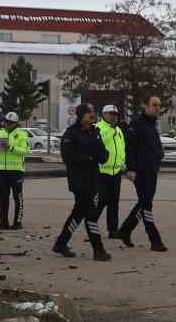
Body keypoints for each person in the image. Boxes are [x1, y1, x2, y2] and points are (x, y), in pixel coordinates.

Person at [53, 103, 111, 261]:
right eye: (89, 112)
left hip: (93, 180)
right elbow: (68, 157)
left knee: (78, 213)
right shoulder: (71, 134)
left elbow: (103, 155)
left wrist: (100, 155)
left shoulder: (95, 131)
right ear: (81, 115)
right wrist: (89, 158)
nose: (93, 115)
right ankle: (98, 250)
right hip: (79, 181)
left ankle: (61, 243)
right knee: (91, 214)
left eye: (93, 112)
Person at [116, 92, 168, 251]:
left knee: (145, 203)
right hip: (140, 171)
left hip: (152, 170)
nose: (158, 108)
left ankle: (125, 230)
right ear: (146, 106)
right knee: (146, 204)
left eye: (159, 105)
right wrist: (130, 169)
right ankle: (155, 239)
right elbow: (129, 147)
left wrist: (160, 154)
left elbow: (152, 145)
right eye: (154, 105)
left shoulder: (152, 123)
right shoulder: (137, 123)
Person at [0, 111, 29, 230]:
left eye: (11, 123)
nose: (8, 124)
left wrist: (11, 147)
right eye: (7, 122)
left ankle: (17, 222)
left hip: (17, 170)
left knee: (17, 197)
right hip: (2, 170)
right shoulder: (0, 133)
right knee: (3, 197)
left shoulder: (22, 134)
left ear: (16, 123)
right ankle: (3, 222)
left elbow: (25, 150)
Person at [95, 104, 127, 237]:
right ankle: (91, 225)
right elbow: (100, 143)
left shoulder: (118, 130)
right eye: (111, 114)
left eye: (115, 115)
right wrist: (111, 130)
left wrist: (123, 164)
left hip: (116, 172)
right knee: (101, 201)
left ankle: (113, 230)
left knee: (114, 202)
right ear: (104, 114)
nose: (114, 117)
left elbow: (121, 148)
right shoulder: (98, 128)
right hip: (102, 172)